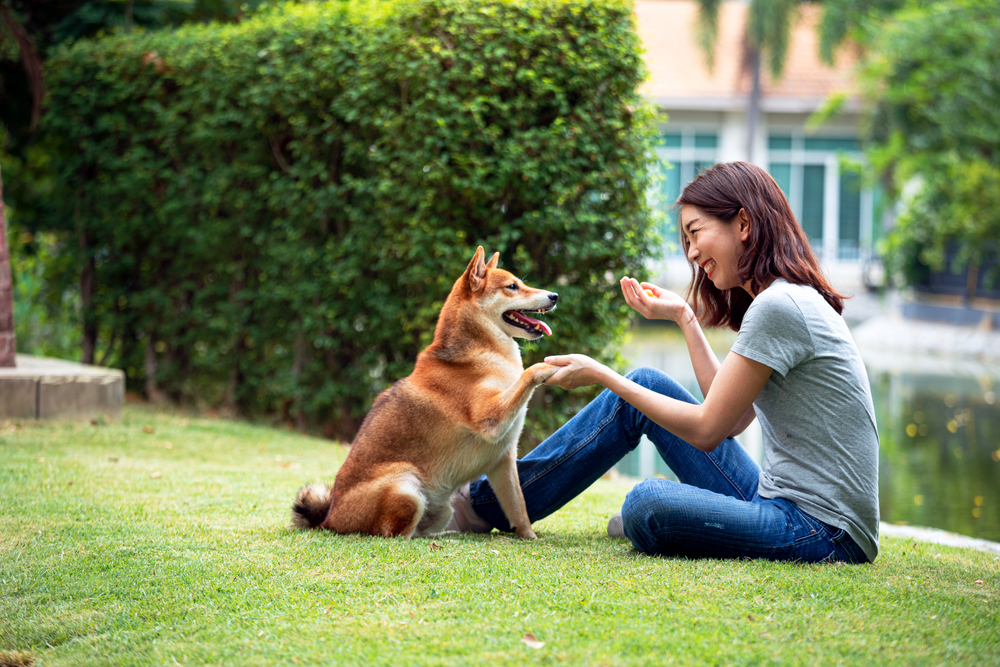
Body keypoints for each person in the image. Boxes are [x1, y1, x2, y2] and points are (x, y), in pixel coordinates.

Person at [446, 161, 879, 564]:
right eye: (685, 242)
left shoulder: (779, 306)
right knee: (646, 386)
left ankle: (659, 523)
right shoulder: (781, 300)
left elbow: (709, 430)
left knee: (646, 502)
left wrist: (602, 375)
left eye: (695, 234)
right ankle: (482, 507)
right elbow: (732, 418)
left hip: (823, 530)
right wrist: (683, 317)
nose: (691, 253)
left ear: (743, 223)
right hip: (780, 502)